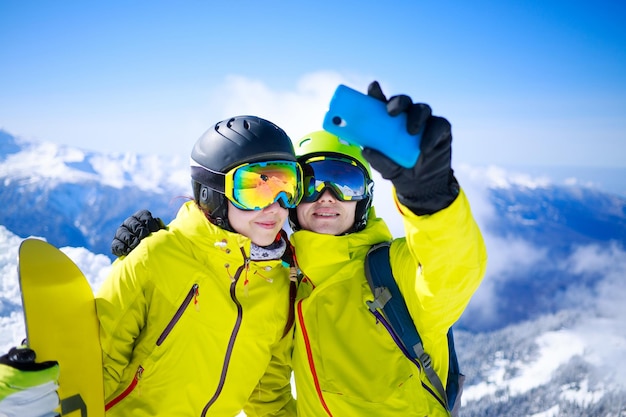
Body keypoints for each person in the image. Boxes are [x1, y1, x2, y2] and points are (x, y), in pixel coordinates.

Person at [112, 81, 488, 416]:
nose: (327, 197)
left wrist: (430, 198)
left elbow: (452, 270)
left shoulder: (394, 272)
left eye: (344, 181)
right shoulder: (285, 283)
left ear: (366, 199)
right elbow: (269, 392)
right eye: (309, 184)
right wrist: (174, 248)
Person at [1, 115, 301, 417]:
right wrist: (43, 397)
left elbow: (268, 396)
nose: (275, 205)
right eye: (255, 189)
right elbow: (97, 367)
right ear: (213, 193)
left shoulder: (277, 284)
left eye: (285, 185)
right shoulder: (155, 257)